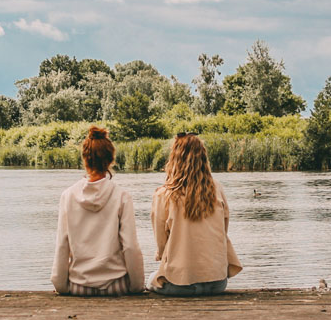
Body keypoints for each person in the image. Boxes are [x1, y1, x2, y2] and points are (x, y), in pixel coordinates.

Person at [51, 126, 145, 296]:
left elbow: (62, 245)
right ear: (110, 160)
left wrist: (61, 285)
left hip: (79, 286)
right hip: (117, 285)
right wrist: (137, 286)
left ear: (85, 159)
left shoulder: (68, 196)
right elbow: (130, 247)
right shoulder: (122, 197)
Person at [150, 132, 242, 295]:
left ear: (174, 159)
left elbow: (161, 243)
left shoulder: (164, 194)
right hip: (217, 283)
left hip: (179, 284)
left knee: (151, 280)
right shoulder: (217, 189)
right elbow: (223, 230)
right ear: (203, 159)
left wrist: (164, 255)